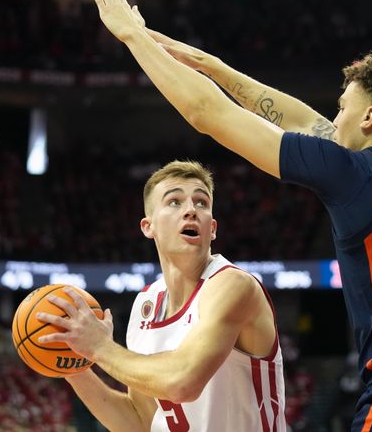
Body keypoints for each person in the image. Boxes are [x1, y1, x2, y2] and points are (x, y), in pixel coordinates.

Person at [92, 0, 372, 431]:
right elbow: (300, 118)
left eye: (342, 109)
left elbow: (207, 114)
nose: (332, 120)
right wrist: (213, 66)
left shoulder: (353, 171)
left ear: (370, 119)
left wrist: (132, 36)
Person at [36, 160, 285, 431]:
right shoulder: (146, 303)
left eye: (201, 202)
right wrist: (73, 364)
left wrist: (99, 347)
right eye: (174, 202)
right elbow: (141, 422)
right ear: (148, 226)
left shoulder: (232, 285)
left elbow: (182, 382)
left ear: (212, 228)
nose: (191, 210)